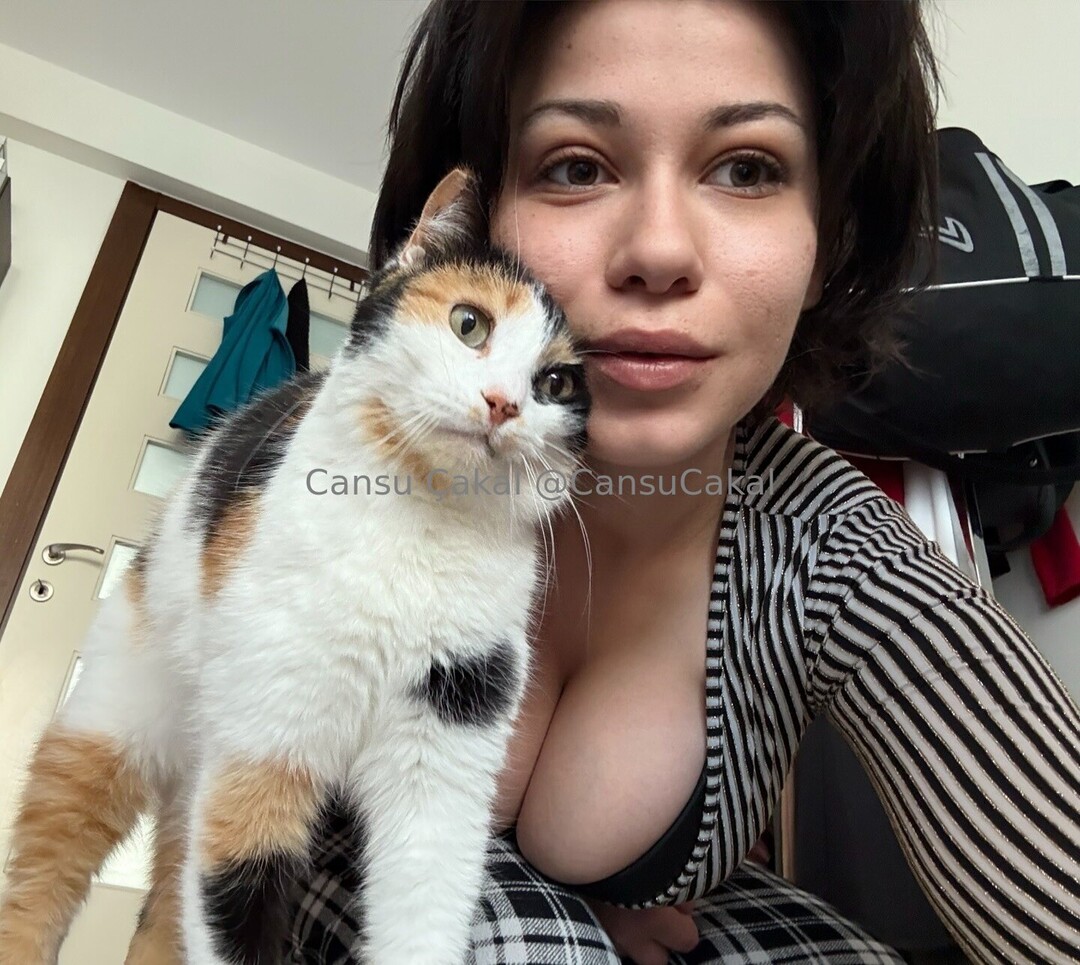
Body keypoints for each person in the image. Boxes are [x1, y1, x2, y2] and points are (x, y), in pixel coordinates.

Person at [289, 2, 1080, 962]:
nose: (660, 251)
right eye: (575, 167)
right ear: (476, 225)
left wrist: (600, 890)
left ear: (824, 244)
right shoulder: (365, 454)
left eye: (747, 169)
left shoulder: (829, 549)